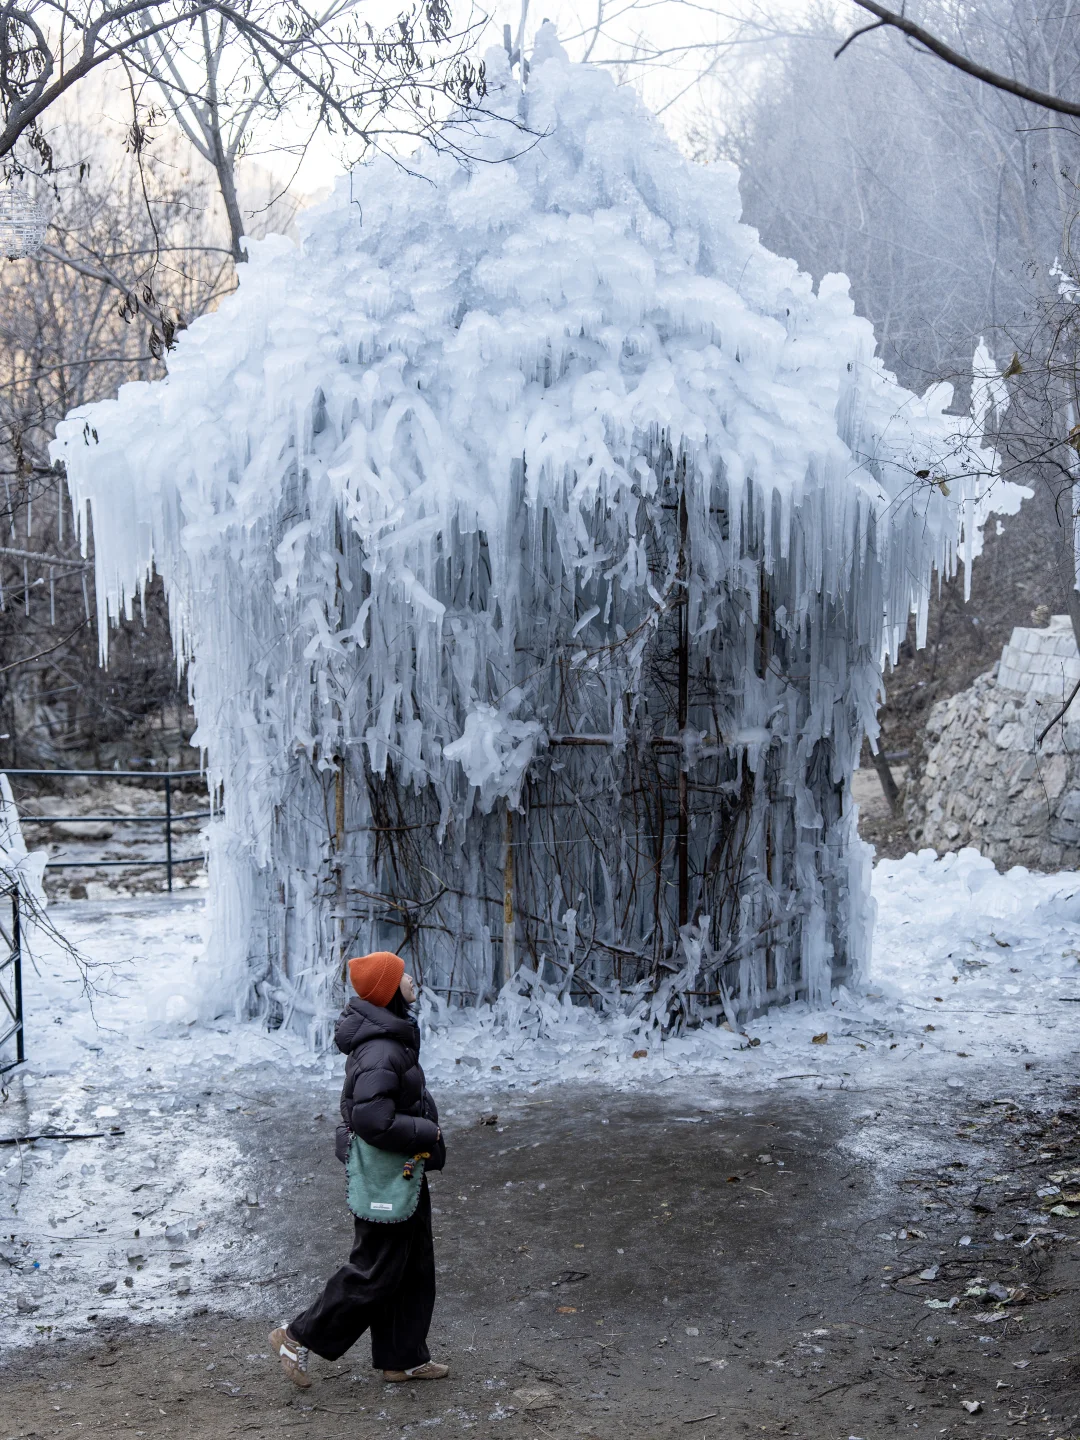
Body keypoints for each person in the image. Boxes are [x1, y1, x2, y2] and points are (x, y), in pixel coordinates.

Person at [269, 950, 449, 1388]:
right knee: (375, 1269)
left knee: (413, 1266)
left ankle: (402, 1358)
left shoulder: (392, 1037)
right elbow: (373, 1120)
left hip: (405, 1167)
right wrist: (428, 1131)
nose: (412, 980)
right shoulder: (381, 1049)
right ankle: (296, 1336)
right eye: (402, 975)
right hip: (386, 1173)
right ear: (388, 991)